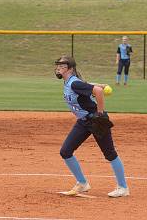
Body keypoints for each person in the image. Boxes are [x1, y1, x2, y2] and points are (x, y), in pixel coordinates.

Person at [54, 55, 129, 198]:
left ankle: (123, 187)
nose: (58, 68)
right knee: (66, 151)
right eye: (58, 65)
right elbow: (87, 85)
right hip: (83, 122)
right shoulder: (71, 82)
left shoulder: (74, 83)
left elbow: (98, 92)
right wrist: (98, 84)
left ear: (70, 68)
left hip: (95, 119)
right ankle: (82, 183)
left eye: (62, 65)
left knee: (110, 153)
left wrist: (99, 115)